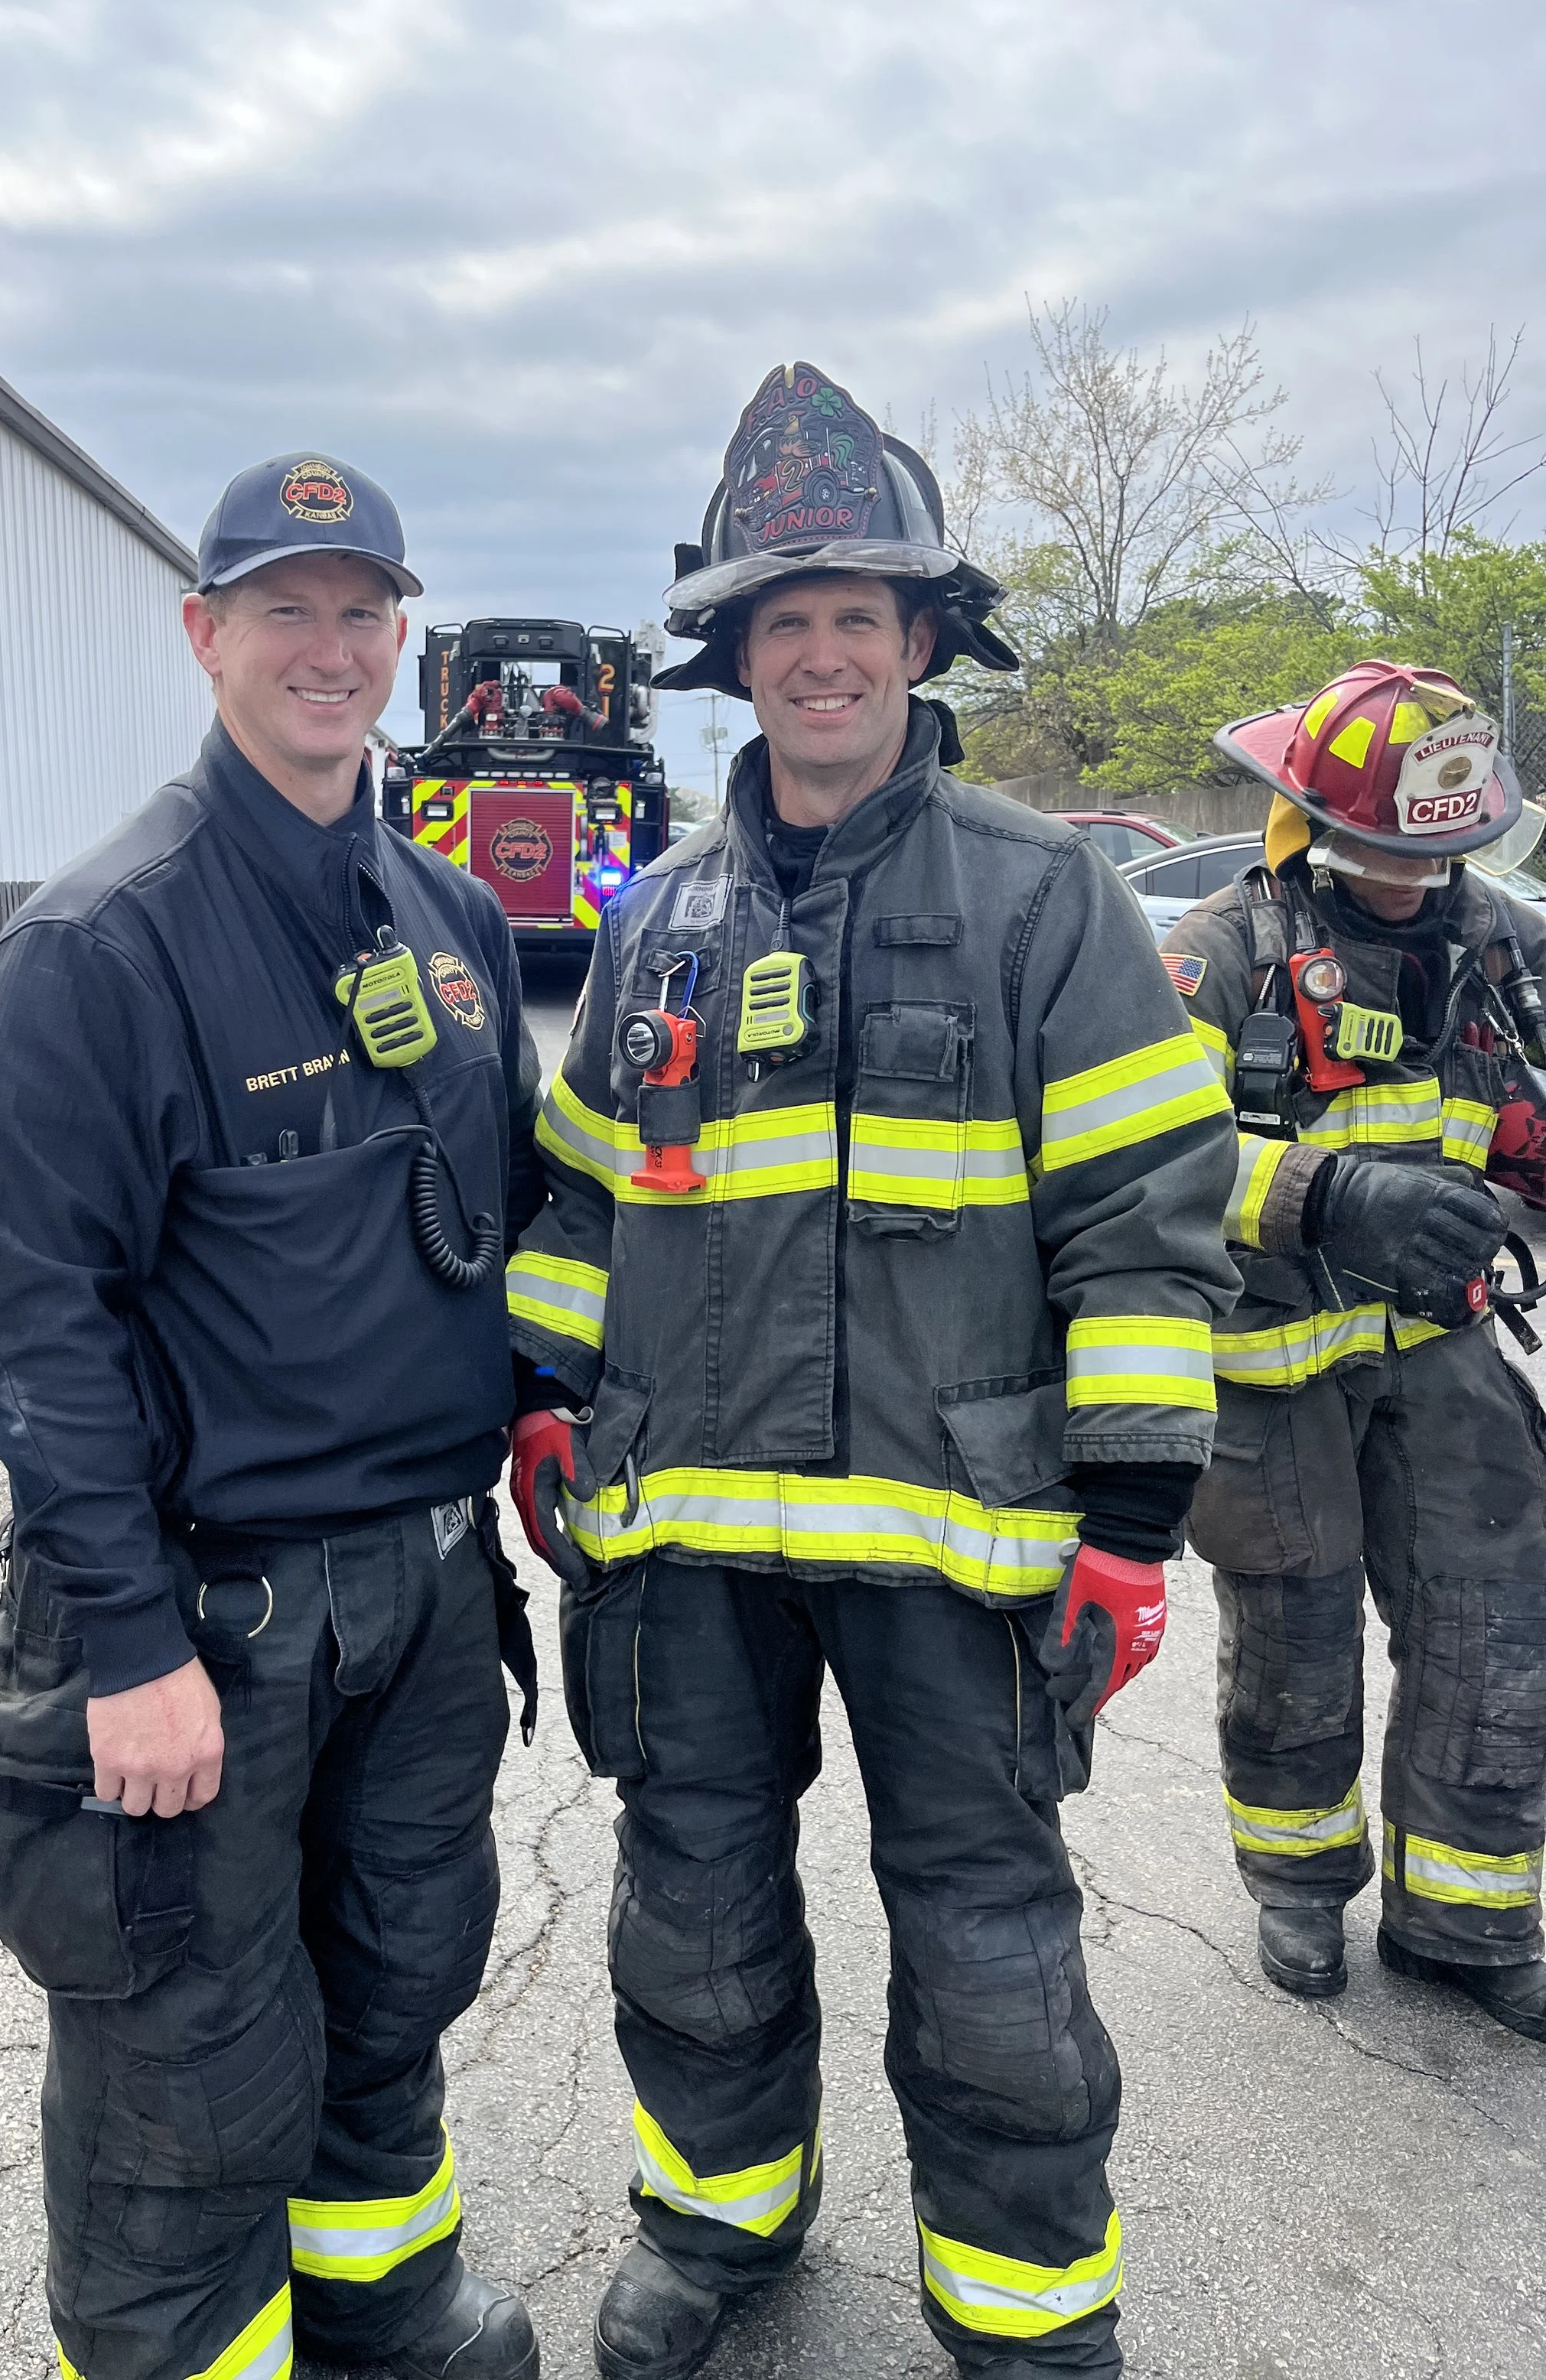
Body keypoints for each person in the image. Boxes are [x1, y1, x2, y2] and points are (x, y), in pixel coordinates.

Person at [501, 363, 1241, 2380]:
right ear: (736, 661)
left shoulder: (1045, 899)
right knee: (693, 1915)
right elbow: (578, 1209)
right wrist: (549, 1398)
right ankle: (717, 2220)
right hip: (686, 1542)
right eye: (781, 622)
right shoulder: (650, 919)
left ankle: (1022, 2309)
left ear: (922, 646)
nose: (818, 654)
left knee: (989, 1952)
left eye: (855, 618)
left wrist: (1133, 1521)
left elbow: (1146, 1220)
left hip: (964, 1541)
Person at [0, 451, 546, 2380]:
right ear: (205, 636)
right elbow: (35, 1327)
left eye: (363, 611)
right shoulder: (100, 946)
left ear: (401, 641)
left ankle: (379, 2300)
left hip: (428, 1600)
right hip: (214, 1621)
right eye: (285, 608)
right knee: (184, 2042)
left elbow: (500, 1227)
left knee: (394, 1974)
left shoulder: (443, 914)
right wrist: (124, 1647)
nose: (329, 648)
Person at [1156, 662, 1546, 2035]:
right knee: (1295, 1629)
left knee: (1497, 1616)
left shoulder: (1502, 942)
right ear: (1317, 816)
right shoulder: (1220, 951)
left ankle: (1468, 1913)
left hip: (1441, 1340)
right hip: (1275, 1359)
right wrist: (1326, 1194)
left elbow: (1524, 1115)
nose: (1407, 873)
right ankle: (1302, 1881)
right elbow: (1143, 1153)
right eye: (1382, 843)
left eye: (1435, 847)